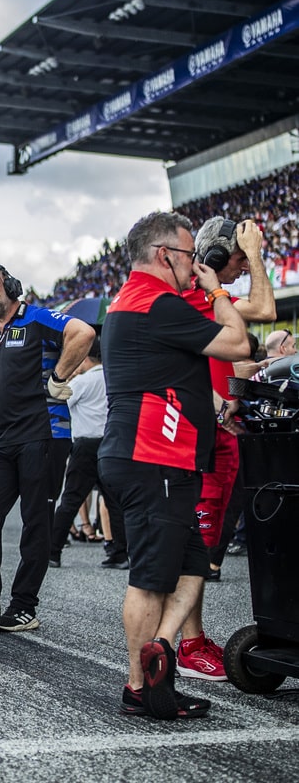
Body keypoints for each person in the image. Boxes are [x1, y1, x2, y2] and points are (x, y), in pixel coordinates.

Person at [98, 211, 249, 720]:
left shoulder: (129, 298)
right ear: (166, 255)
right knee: (148, 578)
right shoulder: (158, 302)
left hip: (150, 455)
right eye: (189, 256)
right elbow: (238, 343)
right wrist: (221, 293)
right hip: (153, 457)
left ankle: (161, 652)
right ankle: (140, 689)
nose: (195, 266)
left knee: (193, 562)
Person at [0, 262, 94, 634]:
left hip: (44, 435)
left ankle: (24, 606)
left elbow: (83, 333)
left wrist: (58, 377)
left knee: (36, 523)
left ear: (10, 286)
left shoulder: (37, 319)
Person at [172, 216, 275, 682]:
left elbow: (225, 360)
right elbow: (267, 309)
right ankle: (185, 644)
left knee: (201, 544)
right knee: (196, 546)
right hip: (202, 442)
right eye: (235, 259)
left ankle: (189, 639)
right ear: (215, 257)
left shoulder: (207, 297)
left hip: (218, 435)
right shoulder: (200, 294)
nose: (238, 268)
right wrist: (255, 254)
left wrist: (227, 396)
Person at [48, 341, 115, 568]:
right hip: (109, 444)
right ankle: (119, 552)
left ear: (86, 358)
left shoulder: (83, 381)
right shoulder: (113, 377)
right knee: (114, 501)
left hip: (85, 445)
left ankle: (53, 550)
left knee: (71, 499)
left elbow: (60, 399)